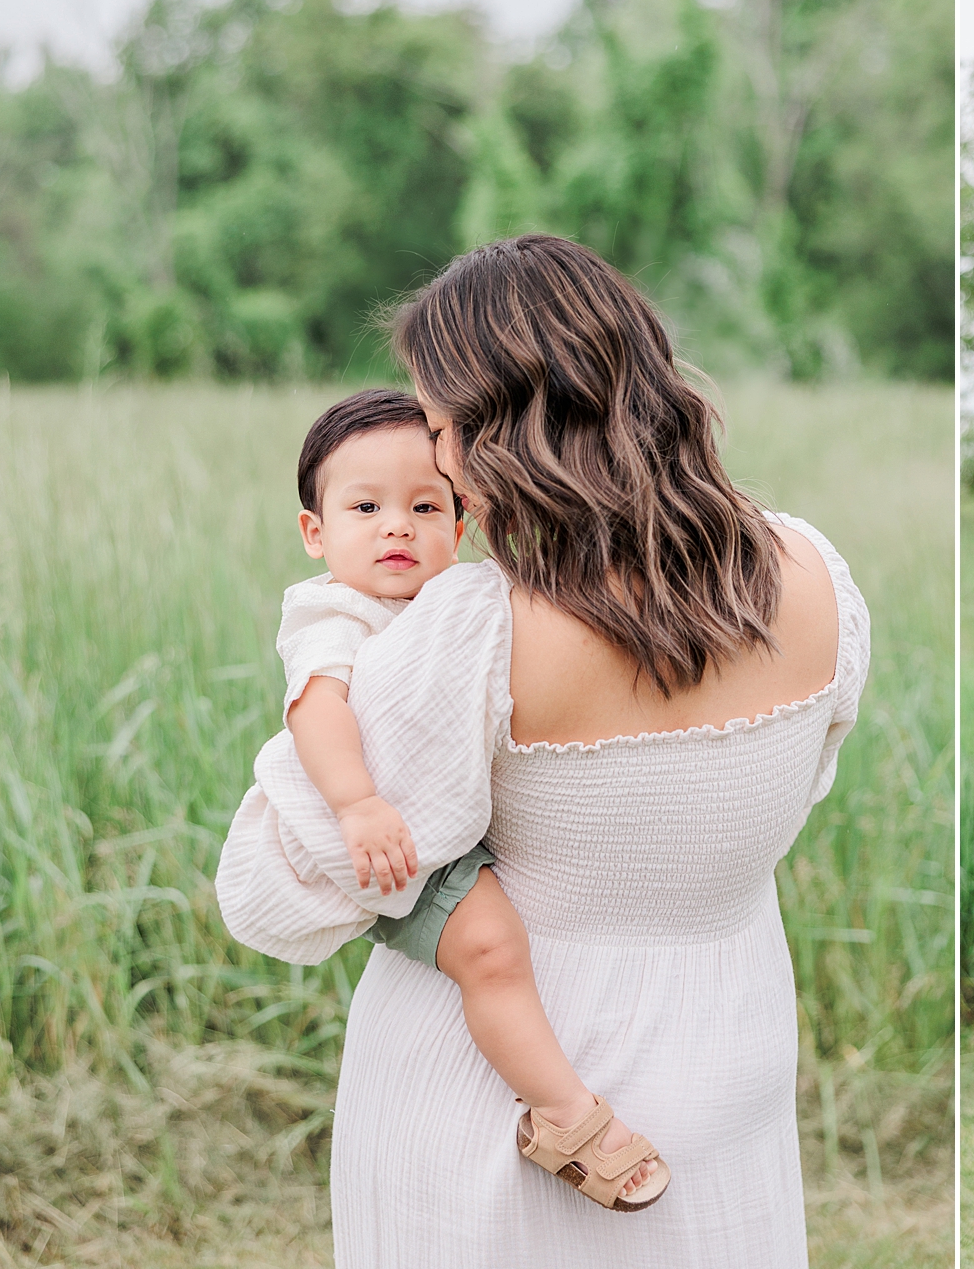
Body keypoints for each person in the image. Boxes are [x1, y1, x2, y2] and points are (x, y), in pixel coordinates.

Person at [216, 234, 869, 1266]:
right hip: (729, 1053)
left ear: (496, 430)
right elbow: (788, 786)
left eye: (436, 426)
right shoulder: (812, 571)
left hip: (485, 1112)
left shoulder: (477, 625)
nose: (435, 460)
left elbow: (273, 889)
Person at [217, 387, 665, 1212]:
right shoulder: (333, 614)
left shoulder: (461, 602)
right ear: (316, 533)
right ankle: (567, 1120)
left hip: (445, 823)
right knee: (490, 948)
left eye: (425, 505)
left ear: (458, 529)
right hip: (391, 839)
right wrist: (356, 805)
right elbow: (316, 710)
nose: (397, 525)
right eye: (366, 506)